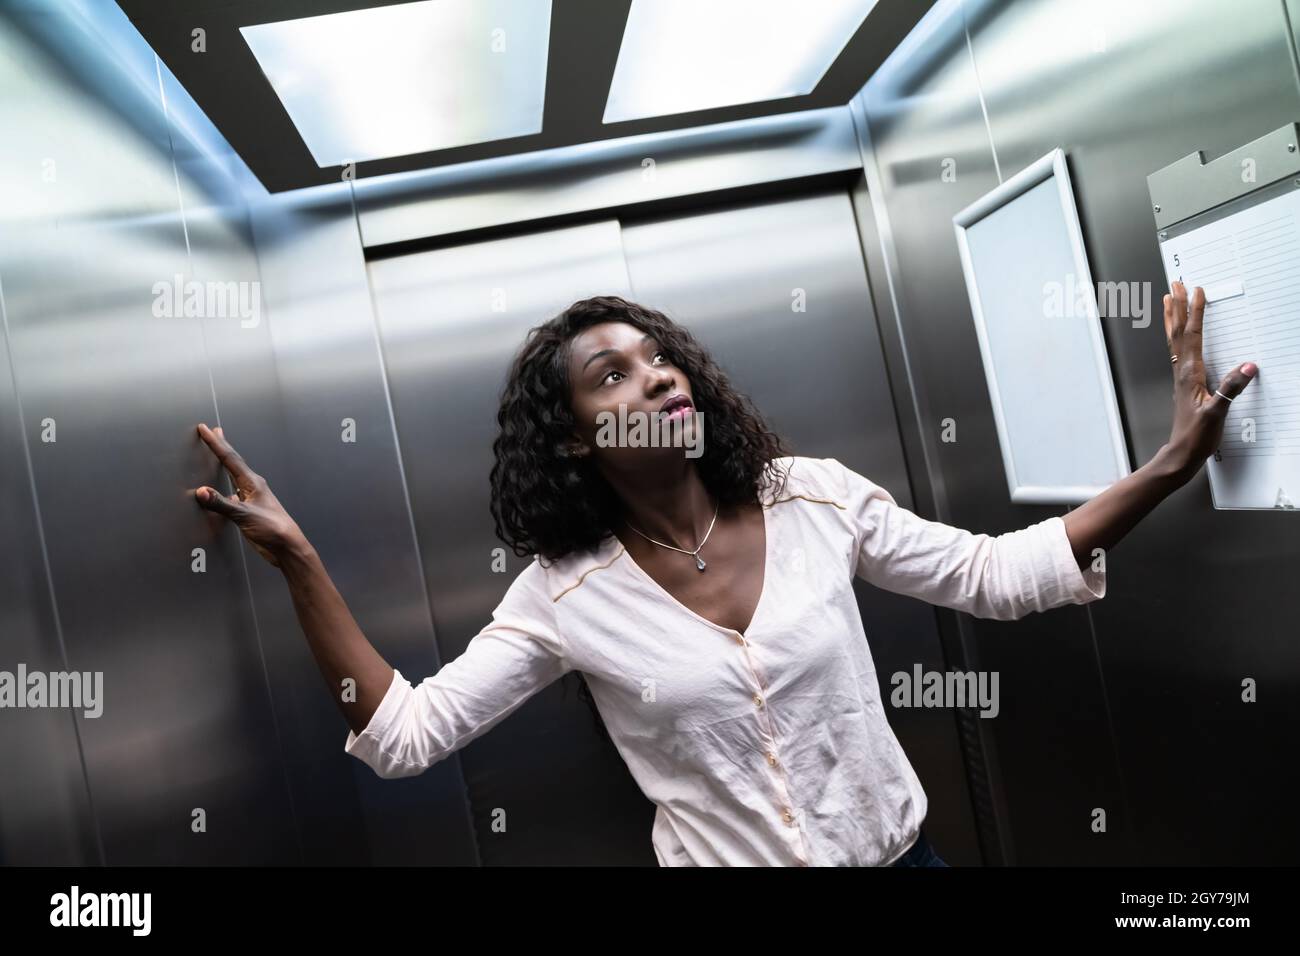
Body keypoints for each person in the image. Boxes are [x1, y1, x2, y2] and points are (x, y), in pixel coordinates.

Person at [193, 282, 1255, 866]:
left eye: (657, 355)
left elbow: (997, 574)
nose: (653, 371)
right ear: (571, 442)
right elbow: (402, 736)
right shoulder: (567, 592)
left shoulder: (808, 497)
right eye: (612, 372)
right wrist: (299, 561)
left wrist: (1170, 461)